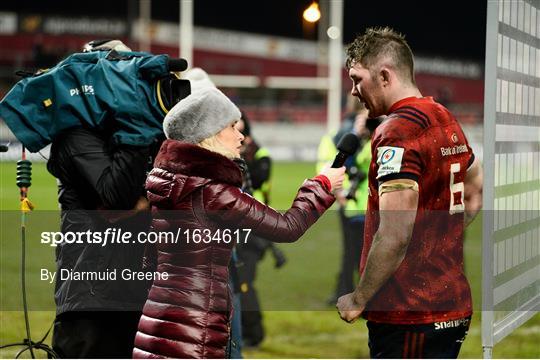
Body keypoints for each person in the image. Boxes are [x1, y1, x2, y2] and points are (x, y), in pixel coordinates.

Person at [133, 86, 345, 358]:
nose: (241, 135)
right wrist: (321, 184)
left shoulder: (169, 183)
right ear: (209, 134)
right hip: (194, 325)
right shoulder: (212, 191)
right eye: (232, 126)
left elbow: (149, 259)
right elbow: (286, 227)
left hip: (157, 315)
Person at [336, 27, 483, 359]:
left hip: (411, 310)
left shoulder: (398, 131)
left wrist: (358, 299)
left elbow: (395, 234)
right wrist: (439, 235)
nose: (354, 91)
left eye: (358, 79)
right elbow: (475, 186)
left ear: (385, 76)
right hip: (453, 300)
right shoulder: (446, 118)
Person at [45, 40, 186, 358]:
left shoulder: (150, 133)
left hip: (146, 285)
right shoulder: (76, 136)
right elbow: (118, 200)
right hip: (93, 294)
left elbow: (183, 192)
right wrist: (135, 128)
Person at [234, 113, 286, 348]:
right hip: (244, 229)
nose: (240, 137)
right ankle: (245, 332)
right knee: (240, 283)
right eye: (235, 130)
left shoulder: (257, 157)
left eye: (242, 131)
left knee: (244, 283)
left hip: (255, 229)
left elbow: (255, 186)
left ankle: (253, 333)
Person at [317, 100, 370, 304]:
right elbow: (339, 162)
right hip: (355, 203)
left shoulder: (346, 133)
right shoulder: (347, 135)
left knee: (353, 252)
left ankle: (346, 291)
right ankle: (352, 292)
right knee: (357, 252)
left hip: (357, 203)